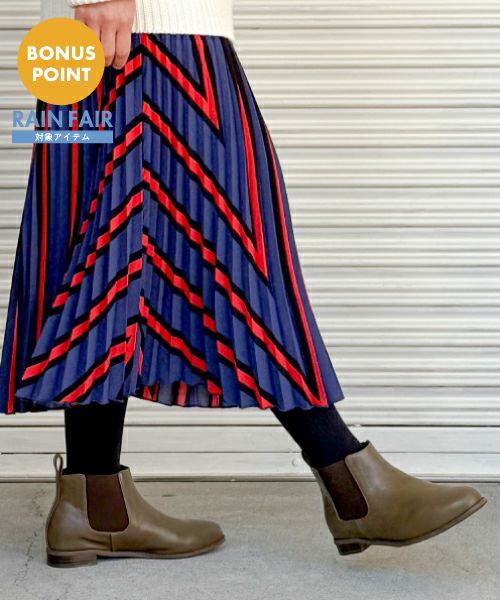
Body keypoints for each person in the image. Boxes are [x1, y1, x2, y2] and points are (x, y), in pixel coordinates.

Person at [0, 0, 486, 568]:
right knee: (236, 247)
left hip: (90, 46)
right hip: (148, 40)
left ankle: (97, 504)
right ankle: (350, 479)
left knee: (94, 251)